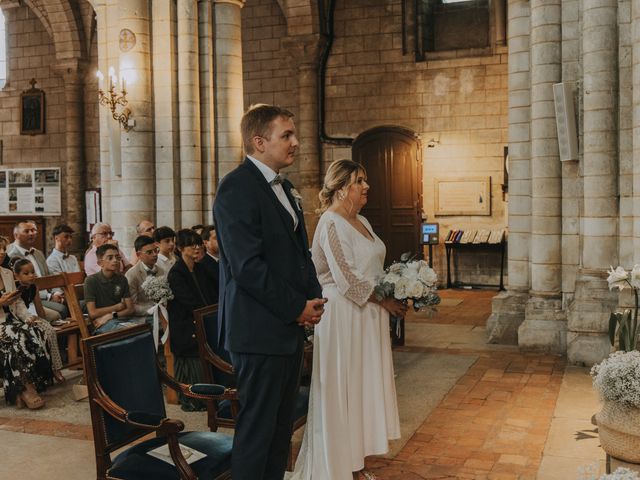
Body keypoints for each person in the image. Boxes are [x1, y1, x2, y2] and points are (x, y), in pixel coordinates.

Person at [213, 104, 326, 480]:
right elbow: (247, 266)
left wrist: (313, 298)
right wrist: (297, 307)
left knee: (280, 431)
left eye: (294, 134)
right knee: (258, 433)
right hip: (258, 329)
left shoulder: (285, 186)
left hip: (286, 327)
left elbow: (297, 253)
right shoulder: (236, 187)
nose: (296, 142)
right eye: (287, 135)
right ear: (259, 142)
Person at [291, 160, 406, 480]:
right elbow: (346, 279)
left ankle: (357, 463)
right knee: (342, 389)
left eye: (365, 180)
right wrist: (387, 301)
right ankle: (339, 468)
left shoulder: (363, 221)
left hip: (367, 315)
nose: (366, 186)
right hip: (342, 315)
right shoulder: (330, 222)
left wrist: (401, 286)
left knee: (361, 389)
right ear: (341, 188)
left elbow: (372, 270)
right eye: (359, 181)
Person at [167, 229, 217, 412]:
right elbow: (189, 302)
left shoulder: (200, 267)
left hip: (202, 319)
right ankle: (194, 399)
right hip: (185, 325)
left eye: (198, 243)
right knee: (192, 358)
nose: (197, 247)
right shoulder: (176, 273)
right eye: (191, 244)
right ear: (180, 248)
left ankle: (212, 394)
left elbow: (212, 294)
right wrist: (206, 315)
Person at [0, 236, 53, 409]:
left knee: (34, 330)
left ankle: (19, 389)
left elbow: (18, 302)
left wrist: (27, 316)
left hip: (11, 319)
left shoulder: (7, 273)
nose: (2, 252)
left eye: (3, 248)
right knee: (16, 337)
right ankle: (27, 389)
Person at [13, 258, 65, 383]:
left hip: (30, 316)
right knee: (32, 337)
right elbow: (15, 309)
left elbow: (39, 309)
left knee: (49, 330)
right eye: (26, 273)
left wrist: (44, 322)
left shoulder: (34, 287)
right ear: (16, 275)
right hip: (16, 318)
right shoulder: (14, 287)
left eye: (32, 272)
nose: (31, 276)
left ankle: (56, 368)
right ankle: (37, 374)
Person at [7, 220, 68, 322]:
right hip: (29, 298)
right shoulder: (11, 256)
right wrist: (49, 296)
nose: (31, 233)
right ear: (16, 235)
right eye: (27, 231)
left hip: (45, 294)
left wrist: (56, 292)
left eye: (33, 230)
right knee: (61, 310)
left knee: (68, 302)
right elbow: (19, 286)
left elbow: (49, 276)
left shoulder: (38, 253)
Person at [84, 244, 137, 335]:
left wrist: (111, 315)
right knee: (126, 332)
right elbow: (92, 313)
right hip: (100, 323)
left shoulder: (122, 279)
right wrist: (116, 307)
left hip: (117, 318)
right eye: (110, 258)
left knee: (140, 328)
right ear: (100, 263)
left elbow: (130, 309)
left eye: (117, 257)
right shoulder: (91, 281)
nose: (115, 261)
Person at [125, 235, 167, 320]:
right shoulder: (132, 274)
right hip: (143, 317)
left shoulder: (161, 271)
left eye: (156, 250)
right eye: (149, 252)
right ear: (138, 255)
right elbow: (132, 305)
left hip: (162, 312)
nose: (155, 254)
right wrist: (153, 310)